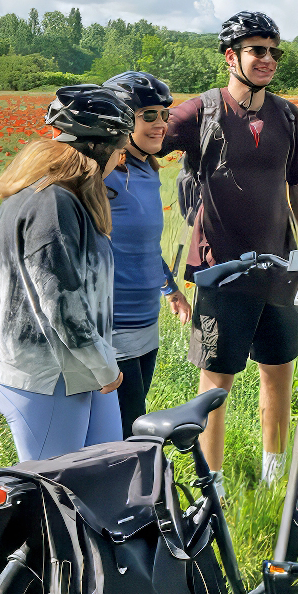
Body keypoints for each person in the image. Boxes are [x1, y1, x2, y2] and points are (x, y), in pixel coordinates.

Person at [162, 11, 298, 492]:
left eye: (273, 51)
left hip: (279, 267)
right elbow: (142, 145)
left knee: (279, 372)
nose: (268, 59)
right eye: (257, 50)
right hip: (218, 272)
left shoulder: (288, 115)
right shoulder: (199, 112)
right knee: (215, 382)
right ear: (231, 57)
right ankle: (214, 485)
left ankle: (273, 480)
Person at [0, 84, 133, 461]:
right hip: (48, 374)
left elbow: (16, 275)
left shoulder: (62, 194)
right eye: (120, 147)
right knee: (56, 493)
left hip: (75, 368)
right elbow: (60, 300)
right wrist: (104, 365)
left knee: (105, 473)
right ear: (98, 148)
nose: (123, 157)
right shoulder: (51, 202)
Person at [102, 71, 193, 434]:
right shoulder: (105, 175)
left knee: (131, 423)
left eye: (164, 114)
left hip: (145, 323)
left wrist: (170, 290)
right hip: (112, 325)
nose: (161, 125)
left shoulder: (145, 170)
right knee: (126, 432)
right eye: (149, 116)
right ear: (123, 121)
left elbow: (143, 247)